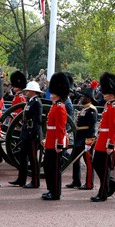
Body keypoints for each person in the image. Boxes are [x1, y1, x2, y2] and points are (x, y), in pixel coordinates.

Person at [90, 72, 115, 202]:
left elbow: (113, 129)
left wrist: (110, 145)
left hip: (107, 141)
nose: (104, 94)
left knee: (103, 167)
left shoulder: (114, 108)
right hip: (101, 139)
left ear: (112, 93)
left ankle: (103, 193)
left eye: (106, 92)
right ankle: (111, 184)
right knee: (97, 164)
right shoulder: (108, 106)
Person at [8, 81, 43, 189]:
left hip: (32, 134)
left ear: (33, 91)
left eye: (28, 90)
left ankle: (35, 181)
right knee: (23, 157)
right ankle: (21, 179)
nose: (26, 92)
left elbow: (37, 121)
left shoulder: (36, 102)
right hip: (26, 132)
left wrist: (33, 134)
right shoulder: (30, 101)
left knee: (33, 159)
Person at [42, 72, 70, 200]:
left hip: (55, 143)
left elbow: (60, 128)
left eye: (53, 92)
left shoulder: (60, 107)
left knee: (54, 169)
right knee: (48, 167)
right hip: (50, 141)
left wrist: (59, 144)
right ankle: (51, 189)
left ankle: (55, 192)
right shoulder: (55, 106)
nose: (50, 94)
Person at [65, 87, 98, 190]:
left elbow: (91, 126)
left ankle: (89, 184)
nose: (81, 98)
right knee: (75, 160)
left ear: (89, 98)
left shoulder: (92, 110)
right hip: (79, 137)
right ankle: (76, 181)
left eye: (84, 97)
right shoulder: (84, 109)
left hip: (86, 138)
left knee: (88, 162)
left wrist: (89, 139)